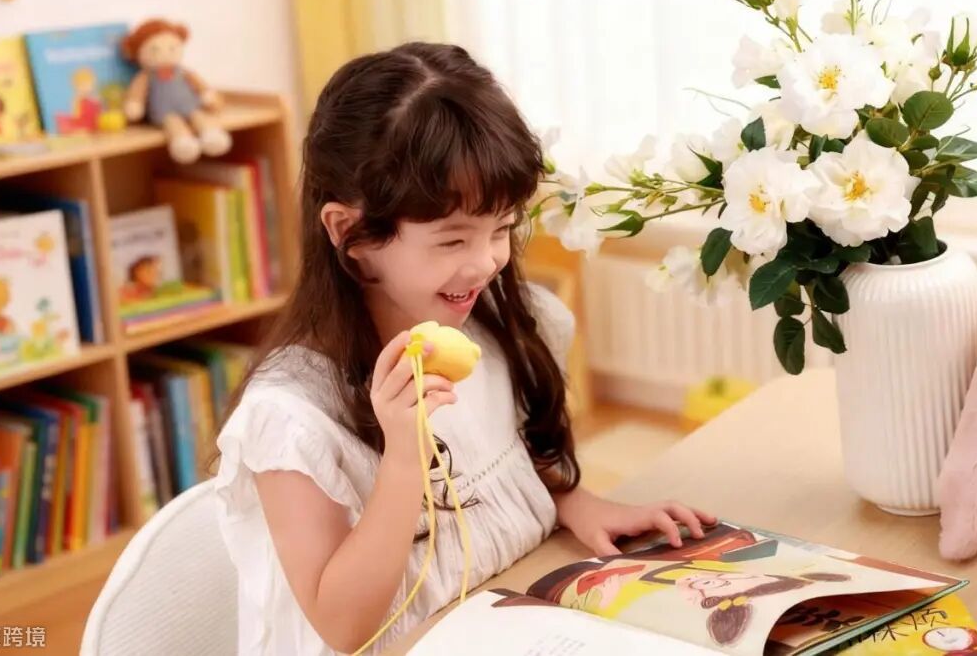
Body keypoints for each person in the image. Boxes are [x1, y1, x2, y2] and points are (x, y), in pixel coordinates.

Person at [211, 41, 717, 655]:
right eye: (452, 241)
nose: (486, 263)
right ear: (351, 232)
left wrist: (574, 501)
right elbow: (344, 629)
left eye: (502, 228)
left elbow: (496, 462)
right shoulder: (291, 417)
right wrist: (404, 458)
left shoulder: (489, 326)